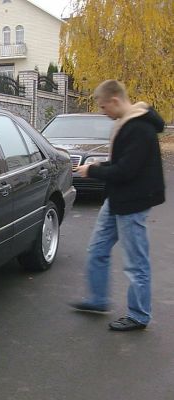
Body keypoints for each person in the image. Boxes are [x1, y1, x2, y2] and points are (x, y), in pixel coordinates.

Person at [71, 79, 165, 331]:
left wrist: (92, 170)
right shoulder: (126, 123)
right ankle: (97, 299)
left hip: (132, 203)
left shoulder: (140, 128)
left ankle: (139, 315)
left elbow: (125, 171)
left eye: (103, 107)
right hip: (116, 200)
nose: (103, 112)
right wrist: (97, 166)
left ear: (114, 100)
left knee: (136, 262)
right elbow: (120, 163)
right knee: (97, 249)